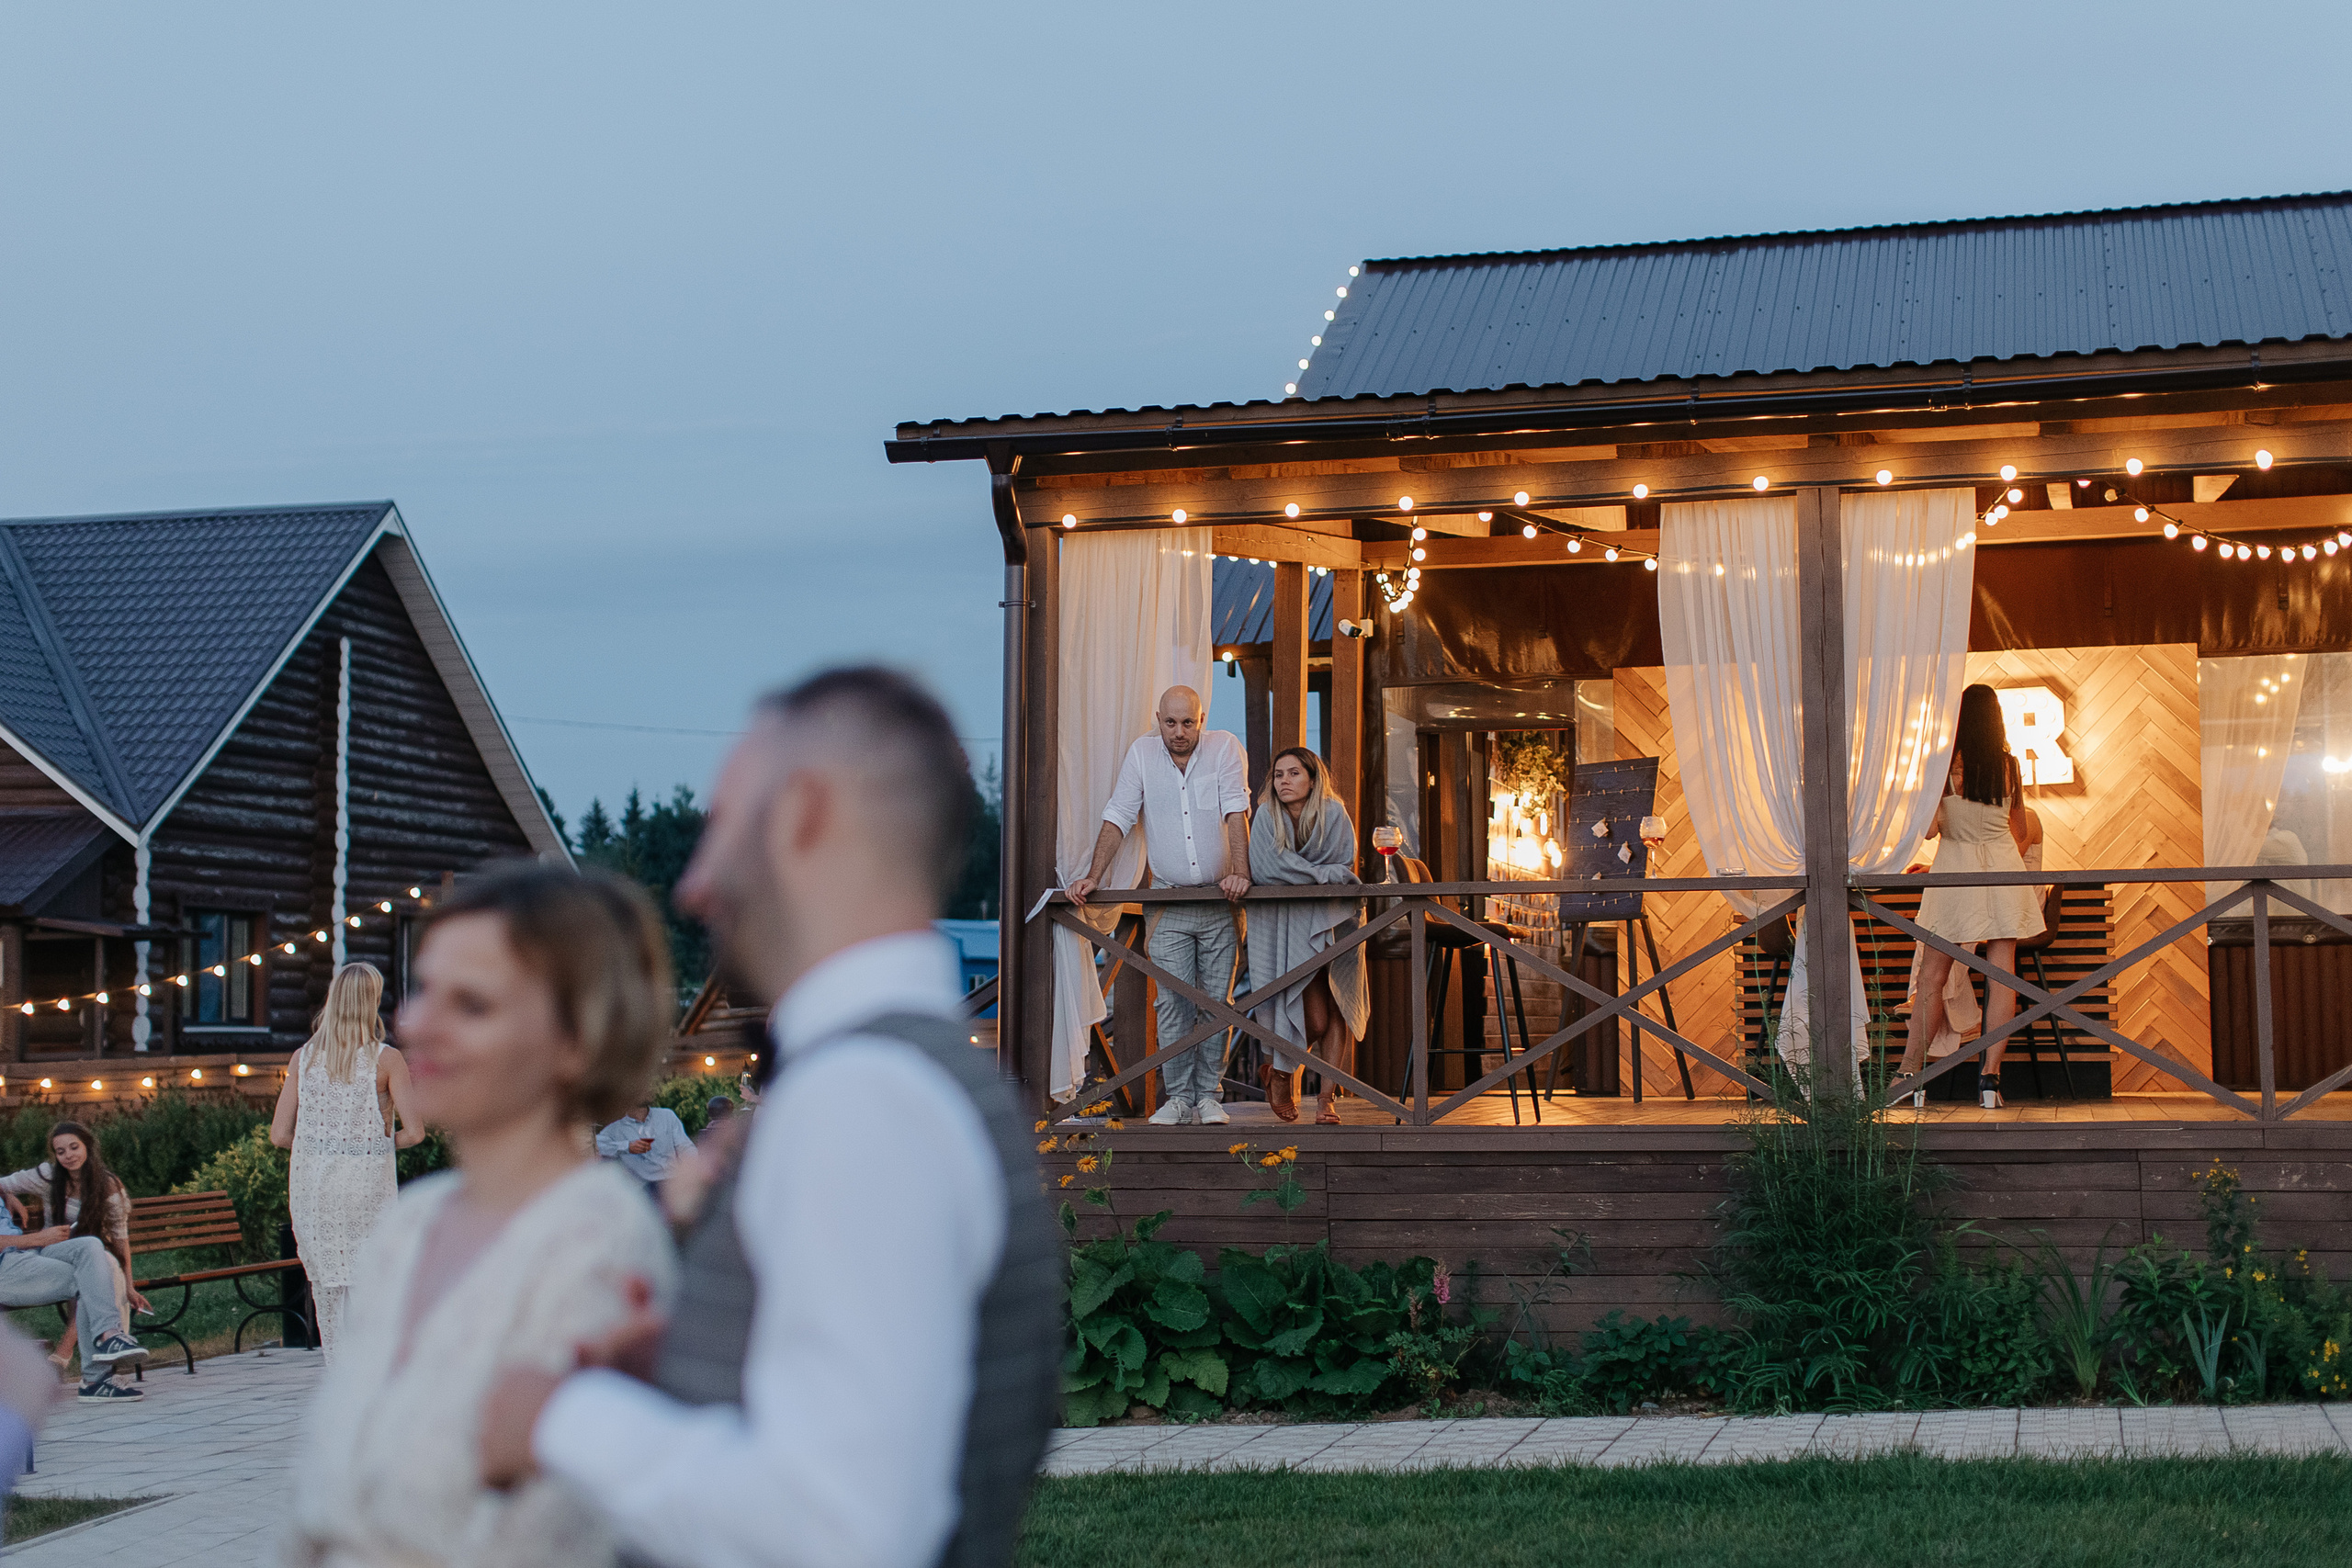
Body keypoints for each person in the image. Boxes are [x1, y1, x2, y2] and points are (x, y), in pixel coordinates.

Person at [475, 665, 1060, 1568]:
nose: (693, 887)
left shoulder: (861, 1099)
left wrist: (562, 1420)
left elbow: (843, 1531)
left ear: (802, 814)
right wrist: (697, 1366)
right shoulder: (915, 1078)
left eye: (719, 826)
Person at [283, 863, 679, 1568]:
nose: (416, 1023)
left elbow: (546, 1534)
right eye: (424, 990)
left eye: (471, 1003)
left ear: (576, 1038)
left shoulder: (596, 1244)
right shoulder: (410, 1224)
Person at [1068, 684, 1251, 1125]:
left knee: (1217, 1003)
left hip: (1220, 900)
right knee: (1171, 1004)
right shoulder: (1142, 754)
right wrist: (1094, 876)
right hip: (1167, 901)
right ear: (1159, 720)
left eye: (1188, 722)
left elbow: (1236, 811)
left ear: (1201, 719)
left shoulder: (1225, 747)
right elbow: (1118, 815)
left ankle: (1209, 1096)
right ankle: (1179, 1098)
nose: (1179, 731)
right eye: (1170, 722)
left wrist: (1241, 872)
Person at [1898, 683, 2045, 1111]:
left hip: (1953, 874)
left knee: (1932, 977)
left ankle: (1910, 1076)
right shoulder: (2008, 767)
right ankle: (1989, 1080)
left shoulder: (1943, 765)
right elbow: (2020, 832)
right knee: (2002, 977)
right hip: (2002, 873)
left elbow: (1928, 831)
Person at [271, 962, 425, 1360]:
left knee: (328, 1293)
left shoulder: (303, 1058)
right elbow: (414, 1132)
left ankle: (339, 1377)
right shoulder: (386, 1059)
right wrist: (369, 1146)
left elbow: (279, 1135)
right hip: (366, 1191)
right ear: (370, 1002)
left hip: (313, 1193)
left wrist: (324, 1149)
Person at [1247, 747, 1369, 1124]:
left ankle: (1326, 1100)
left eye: (1294, 773)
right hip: (1286, 922)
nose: (1284, 781)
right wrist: (1322, 875)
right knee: (1315, 1020)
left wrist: (1308, 874)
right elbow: (1266, 869)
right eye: (1278, 774)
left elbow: (1343, 860)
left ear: (1313, 780)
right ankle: (1281, 1072)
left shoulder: (1334, 812)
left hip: (1335, 917)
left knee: (1339, 1006)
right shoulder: (1266, 815)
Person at [0, 1122, 147, 1374]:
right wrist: (9, 1194)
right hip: (49, 1251)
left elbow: (121, 1239)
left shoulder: (108, 1185)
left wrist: (130, 1285)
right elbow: (4, 1183)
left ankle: (109, 1343)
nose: (69, 1155)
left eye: (74, 1147)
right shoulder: (47, 1176)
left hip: (83, 1253)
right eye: (61, 1151)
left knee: (102, 1259)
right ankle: (105, 1355)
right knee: (99, 1271)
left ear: (87, 1146)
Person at [594, 1101, 691, 1195]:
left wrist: (690, 1171)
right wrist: (626, 1146)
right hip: (642, 1189)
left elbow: (685, 1147)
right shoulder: (615, 1129)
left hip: (672, 1181)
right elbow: (596, 1145)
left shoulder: (667, 1116)